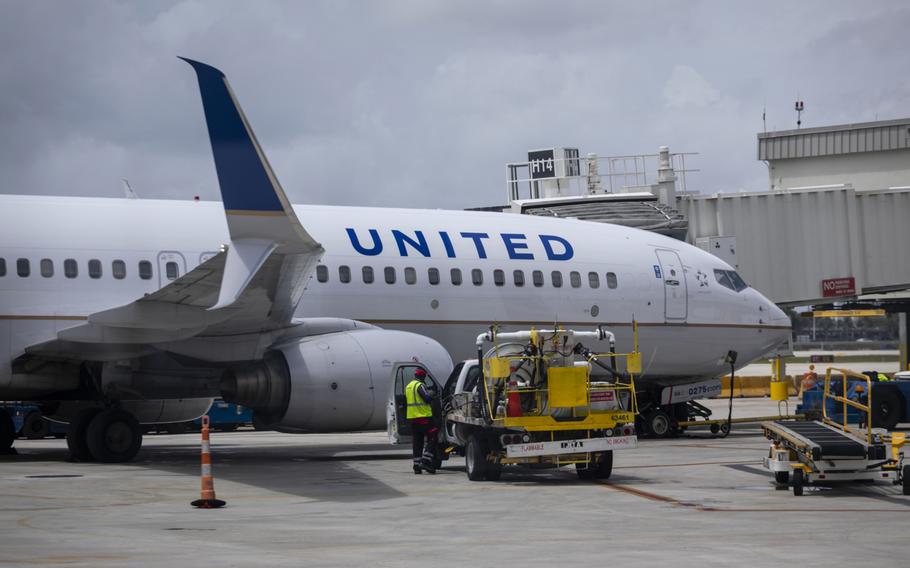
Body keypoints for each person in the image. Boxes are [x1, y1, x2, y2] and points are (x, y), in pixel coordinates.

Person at [405, 368, 437, 474]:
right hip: (423, 417)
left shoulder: (408, 386)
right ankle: (426, 460)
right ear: (422, 377)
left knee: (417, 442)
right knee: (433, 437)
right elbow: (426, 398)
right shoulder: (419, 385)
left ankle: (416, 465)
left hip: (413, 418)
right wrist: (432, 395)